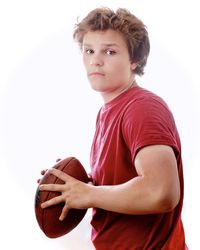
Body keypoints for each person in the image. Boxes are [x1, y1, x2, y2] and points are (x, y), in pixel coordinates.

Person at [39, 7, 188, 249]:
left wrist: (89, 194)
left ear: (134, 59)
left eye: (109, 51)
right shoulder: (108, 112)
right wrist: (78, 187)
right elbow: (128, 186)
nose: (95, 60)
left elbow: (162, 192)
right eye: (89, 51)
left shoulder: (141, 108)